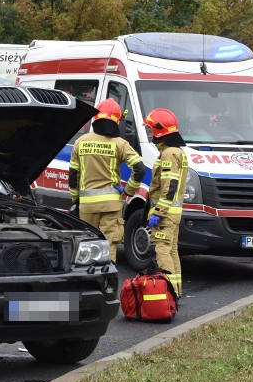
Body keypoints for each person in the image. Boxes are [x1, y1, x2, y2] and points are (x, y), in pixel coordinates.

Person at [69, 99, 146, 255]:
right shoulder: (120, 144)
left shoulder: (80, 142)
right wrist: (128, 191)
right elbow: (140, 168)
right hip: (112, 205)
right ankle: (107, 277)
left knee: (87, 244)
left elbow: (73, 176)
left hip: (87, 206)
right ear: (117, 121)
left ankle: (89, 277)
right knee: (109, 244)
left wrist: (75, 200)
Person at [143, 108, 188, 297]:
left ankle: (167, 292)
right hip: (173, 213)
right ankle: (175, 291)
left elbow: (170, 186)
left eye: (151, 129)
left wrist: (158, 212)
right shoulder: (177, 152)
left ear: (159, 131)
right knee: (172, 250)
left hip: (166, 214)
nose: (149, 133)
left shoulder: (169, 153)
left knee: (162, 250)